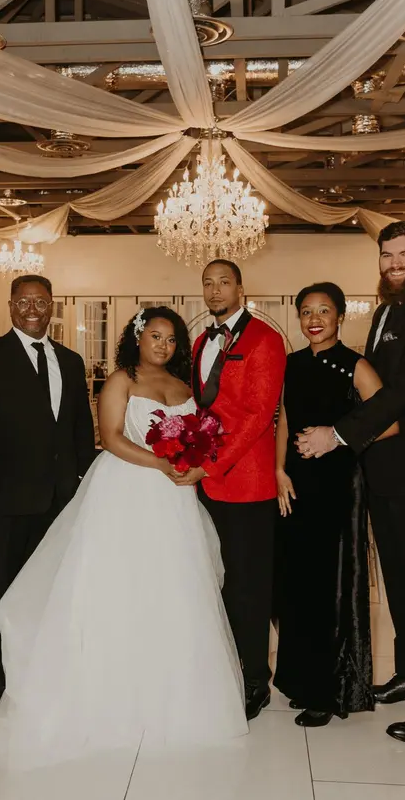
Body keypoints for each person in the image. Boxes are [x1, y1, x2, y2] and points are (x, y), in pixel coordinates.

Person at [0, 306, 247, 768]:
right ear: (138, 337)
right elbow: (110, 437)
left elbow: (200, 438)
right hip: (126, 490)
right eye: (155, 336)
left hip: (174, 499)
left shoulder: (184, 387)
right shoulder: (121, 380)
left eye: (171, 339)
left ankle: (174, 695)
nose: (163, 345)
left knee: (172, 589)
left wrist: (189, 460)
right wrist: (161, 462)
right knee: (117, 586)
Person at [297, 222, 405, 745]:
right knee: (400, 582)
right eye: (387, 254)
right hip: (386, 474)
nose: (395, 263)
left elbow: (402, 393)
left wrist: (337, 434)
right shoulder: (386, 310)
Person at [0, 275, 95, 706]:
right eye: (23, 302)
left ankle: (36, 667)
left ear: (52, 306)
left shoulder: (71, 361)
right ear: (10, 306)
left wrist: (85, 484)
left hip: (58, 499)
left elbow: (80, 429)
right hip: (4, 497)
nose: (32, 309)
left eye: (40, 301)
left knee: (47, 586)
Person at [274, 282, 398, 728]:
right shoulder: (291, 364)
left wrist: (338, 439)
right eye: (306, 311)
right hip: (295, 483)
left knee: (328, 586)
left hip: (337, 486)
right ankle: (299, 679)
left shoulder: (355, 365)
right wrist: (278, 470)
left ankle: (326, 691)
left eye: (324, 310)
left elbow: (389, 424)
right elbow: (285, 419)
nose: (314, 319)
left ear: (340, 316)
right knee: (296, 583)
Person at [178, 260, 286, 721]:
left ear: (241, 287)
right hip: (206, 484)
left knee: (249, 586)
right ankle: (224, 670)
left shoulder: (265, 339)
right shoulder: (200, 340)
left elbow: (259, 416)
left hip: (247, 483)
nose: (215, 290)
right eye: (208, 283)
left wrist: (210, 465)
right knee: (215, 581)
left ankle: (256, 680)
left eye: (224, 282)